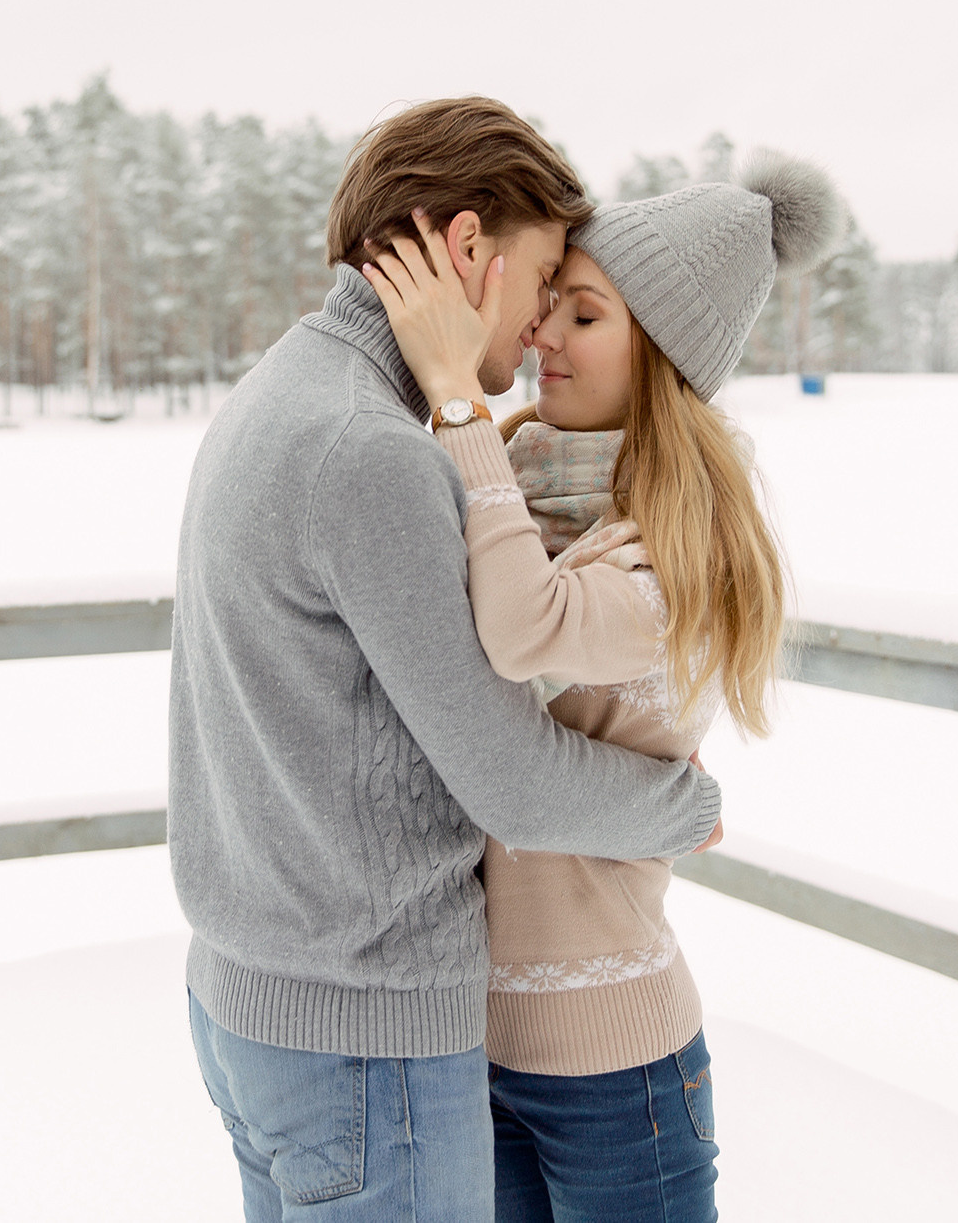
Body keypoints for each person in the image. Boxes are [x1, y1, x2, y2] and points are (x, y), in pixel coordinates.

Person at [171, 98, 725, 1223]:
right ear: (467, 250)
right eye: (537, 284)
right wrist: (683, 804)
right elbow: (509, 777)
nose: (534, 332)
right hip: (362, 1040)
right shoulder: (371, 453)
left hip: (255, 1002)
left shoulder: (278, 396)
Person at [361, 153, 843, 1223]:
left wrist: (456, 401)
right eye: (551, 305)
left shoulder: (677, 548)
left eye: (585, 315)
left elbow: (525, 629)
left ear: (658, 355)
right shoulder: (512, 483)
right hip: (466, 1045)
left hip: (617, 1068)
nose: (542, 336)